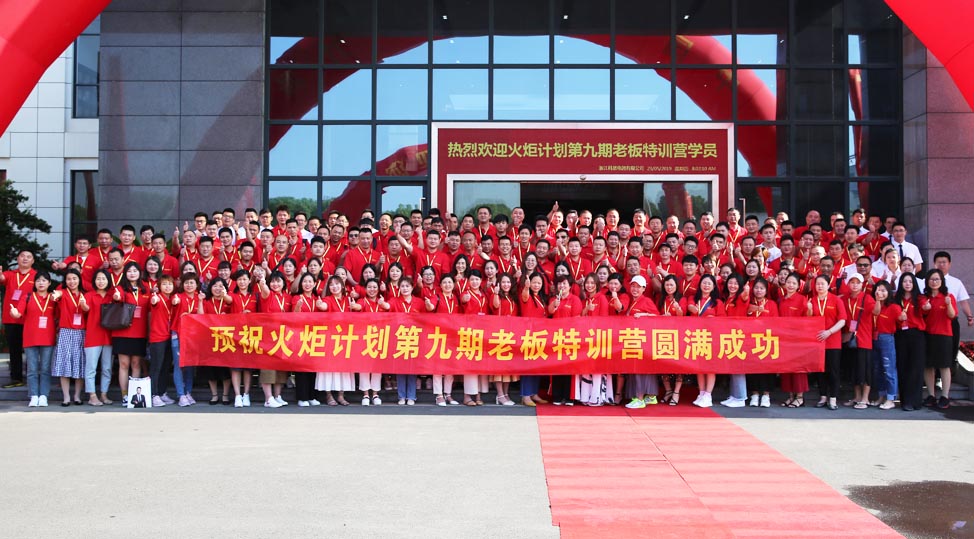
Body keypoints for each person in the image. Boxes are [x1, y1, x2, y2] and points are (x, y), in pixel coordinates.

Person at [10, 271, 57, 406]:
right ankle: (33, 395)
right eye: (38, 280)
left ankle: (44, 395)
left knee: (45, 369)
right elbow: (18, 313)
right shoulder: (27, 297)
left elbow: (60, 315)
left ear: (49, 283)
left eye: (44, 280)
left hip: (48, 338)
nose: (41, 283)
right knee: (32, 369)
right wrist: (14, 313)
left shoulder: (53, 298)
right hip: (30, 338)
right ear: (34, 283)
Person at [112, 262, 151, 406]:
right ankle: (124, 395)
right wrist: (116, 296)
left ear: (140, 273)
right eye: (129, 271)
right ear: (125, 273)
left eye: (135, 270)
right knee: (124, 364)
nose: (132, 273)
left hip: (140, 332)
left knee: (136, 364)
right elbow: (117, 298)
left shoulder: (145, 288)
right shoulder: (120, 288)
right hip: (122, 331)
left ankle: (134, 394)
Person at [317, 275, 360, 405]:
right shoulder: (328, 299)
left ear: (342, 285)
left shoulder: (349, 300)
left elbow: (358, 311)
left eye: (337, 284)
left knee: (344, 368)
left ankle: (341, 395)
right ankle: (329, 395)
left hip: (346, 338)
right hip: (330, 337)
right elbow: (324, 306)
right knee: (328, 367)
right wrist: (320, 305)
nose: (334, 287)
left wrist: (356, 306)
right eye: (331, 285)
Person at [809, 274, 849, 410]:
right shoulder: (812, 300)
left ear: (828, 285)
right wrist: (809, 309)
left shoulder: (836, 300)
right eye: (817, 284)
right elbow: (808, 320)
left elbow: (842, 320)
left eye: (822, 284)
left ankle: (833, 398)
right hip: (818, 341)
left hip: (833, 341)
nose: (820, 286)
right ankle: (823, 396)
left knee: (833, 371)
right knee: (820, 370)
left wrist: (829, 332)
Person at [622, 275, 660, 409]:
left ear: (644, 288)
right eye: (633, 286)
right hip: (633, 340)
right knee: (637, 369)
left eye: (638, 287)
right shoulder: (631, 300)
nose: (635, 289)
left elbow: (657, 316)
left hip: (643, 341)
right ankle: (650, 396)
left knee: (640, 369)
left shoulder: (646, 301)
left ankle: (639, 399)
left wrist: (644, 315)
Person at [1, 250, 37, 388]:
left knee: (31, 350)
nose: (25, 259)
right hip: (11, 318)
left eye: (28, 257)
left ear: (33, 261)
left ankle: (32, 378)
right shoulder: (11, 274)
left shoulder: (36, 275)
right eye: (22, 256)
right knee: (14, 350)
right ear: (18, 259)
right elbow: (2, 278)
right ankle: (16, 378)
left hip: (29, 318)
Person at [922, 270, 957, 410]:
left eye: (937, 279)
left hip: (944, 335)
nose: (934, 282)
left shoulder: (948, 296)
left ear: (942, 281)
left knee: (944, 366)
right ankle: (931, 395)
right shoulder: (924, 298)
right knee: (928, 366)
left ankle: (945, 396)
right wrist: (925, 307)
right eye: (931, 279)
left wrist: (948, 304)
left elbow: (952, 315)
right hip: (928, 335)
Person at [255, 270, 290, 407]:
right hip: (268, 336)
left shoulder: (287, 297)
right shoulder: (268, 295)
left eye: (278, 281)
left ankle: (277, 396)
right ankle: (268, 399)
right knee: (267, 367)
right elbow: (264, 290)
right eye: (273, 282)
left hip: (282, 337)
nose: (275, 284)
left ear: (283, 283)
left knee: (280, 368)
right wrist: (262, 282)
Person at [52, 269, 86, 406]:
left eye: (74, 278)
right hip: (65, 332)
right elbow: (56, 294)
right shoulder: (63, 293)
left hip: (81, 332)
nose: (72, 281)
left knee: (79, 364)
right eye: (69, 279)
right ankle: (66, 397)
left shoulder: (85, 294)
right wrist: (55, 295)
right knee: (64, 364)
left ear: (79, 280)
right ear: (65, 281)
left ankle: (77, 396)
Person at [841, 273, 875, 410]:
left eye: (857, 282)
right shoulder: (845, 299)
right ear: (848, 284)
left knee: (865, 370)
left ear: (862, 285)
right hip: (850, 338)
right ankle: (857, 396)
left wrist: (878, 301)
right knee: (853, 370)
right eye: (852, 282)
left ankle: (865, 398)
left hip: (864, 339)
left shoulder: (867, 298)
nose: (855, 285)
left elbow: (876, 311)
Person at [895, 273, 928, 412]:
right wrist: (899, 318)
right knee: (903, 366)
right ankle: (906, 401)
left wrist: (927, 306)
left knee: (916, 367)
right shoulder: (896, 299)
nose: (907, 284)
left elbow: (926, 308)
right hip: (901, 335)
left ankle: (916, 401)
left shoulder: (920, 298)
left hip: (916, 335)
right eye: (905, 281)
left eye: (910, 281)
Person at [548, 274, 583, 406]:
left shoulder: (574, 299)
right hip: (556, 338)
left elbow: (576, 318)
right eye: (559, 284)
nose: (562, 286)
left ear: (570, 286)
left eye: (564, 283)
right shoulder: (554, 299)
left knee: (569, 367)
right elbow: (549, 312)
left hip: (570, 337)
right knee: (557, 366)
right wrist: (554, 305)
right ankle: (557, 395)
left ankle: (568, 396)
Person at [689, 275, 723, 408]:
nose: (706, 285)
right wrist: (691, 308)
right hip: (696, 337)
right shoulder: (693, 299)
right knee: (699, 367)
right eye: (704, 283)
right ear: (700, 285)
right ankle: (701, 393)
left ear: (714, 287)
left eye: (709, 283)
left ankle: (708, 395)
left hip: (711, 338)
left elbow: (723, 320)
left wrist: (713, 320)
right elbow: (689, 307)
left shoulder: (717, 303)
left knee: (710, 367)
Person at [293, 272, 326, 407]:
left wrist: (320, 306)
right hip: (300, 335)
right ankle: (302, 397)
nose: (307, 284)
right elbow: (293, 316)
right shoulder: (297, 298)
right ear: (301, 284)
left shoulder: (316, 299)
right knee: (301, 368)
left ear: (314, 284)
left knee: (313, 367)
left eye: (310, 282)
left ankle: (312, 396)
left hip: (315, 336)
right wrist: (298, 307)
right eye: (305, 281)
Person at [82, 269, 114, 405]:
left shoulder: (112, 296)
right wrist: (83, 305)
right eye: (98, 279)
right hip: (93, 336)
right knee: (91, 368)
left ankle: (104, 394)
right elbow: (85, 309)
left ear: (108, 280)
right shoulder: (89, 295)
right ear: (94, 281)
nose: (101, 281)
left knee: (107, 368)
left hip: (108, 336)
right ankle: (92, 396)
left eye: (103, 279)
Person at [518, 272, 549, 407]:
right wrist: (526, 287)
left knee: (537, 365)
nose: (536, 285)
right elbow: (525, 295)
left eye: (539, 283)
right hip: (528, 334)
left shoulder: (541, 297)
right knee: (528, 366)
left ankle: (534, 393)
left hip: (539, 335)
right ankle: (525, 395)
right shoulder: (527, 295)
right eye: (534, 282)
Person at [171, 273, 203, 406]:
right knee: (179, 364)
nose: (189, 285)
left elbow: (201, 316)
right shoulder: (178, 296)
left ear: (197, 284)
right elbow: (174, 302)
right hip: (178, 333)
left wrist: (200, 301)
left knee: (190, 365)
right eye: (186, 283)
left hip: (192, 336)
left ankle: (188, 392)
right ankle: (181, 394)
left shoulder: (199, 297)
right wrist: (175, 301)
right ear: (182, 284)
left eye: (192, 282)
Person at [388, 277, 420, 405]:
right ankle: (401, 396)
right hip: (399, 338)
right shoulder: (394, 300)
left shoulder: (419, 302)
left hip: (414, 338)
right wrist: (383, 304)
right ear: (399, 288)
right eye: (402, 286)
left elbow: (427, 315)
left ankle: (411, 396)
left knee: (412, 369)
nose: (405, 288)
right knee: (400, 368)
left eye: (407, 286)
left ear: (412, 287)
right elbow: (387, 306)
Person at [490, 273, 519, 406]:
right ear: (499, 284)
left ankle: (506, 394)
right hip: (499, 334)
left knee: (508, 367)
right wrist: (496, 293)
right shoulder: (496, 295)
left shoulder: (512, 297)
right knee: (499, 367)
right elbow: (495, 306)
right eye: (503, 282)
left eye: (508, 282)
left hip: (511, 334)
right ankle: (500, 394)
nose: (506, 285)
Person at [147, 275, 176, 407]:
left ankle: (162, 392)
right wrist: (153, 298)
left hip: (170, 336)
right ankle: (154, 395)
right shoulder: (157, 298)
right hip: (158, 338)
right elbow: (153, 301)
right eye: (164, 284)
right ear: (159, 286)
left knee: (165, 367)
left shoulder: (173, 299)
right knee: (156, 367)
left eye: (170, 284)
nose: (167, 286)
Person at [870, 282, 901, 410]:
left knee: (889, 369)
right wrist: (877, 301)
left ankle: (891, 398)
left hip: (887, 338)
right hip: (873, 338)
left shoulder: (894, 307)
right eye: (878, 290)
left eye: (883, 290)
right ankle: (881, 396)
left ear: (889, 292)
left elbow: (901, 321)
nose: (880, 293)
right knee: (877, 369)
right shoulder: (873, 305)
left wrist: (903, 317)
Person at [229, 270, 256, 407]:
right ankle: (237, 395)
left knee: (247, 368)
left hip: (251, 335)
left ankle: (246, 394)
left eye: (245, 279)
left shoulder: (254, 296)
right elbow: (227, 300)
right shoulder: (232, 295)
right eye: (239, 279)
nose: (242, 282)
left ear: (249, 280)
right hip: (235, 335)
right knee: (235, 367)